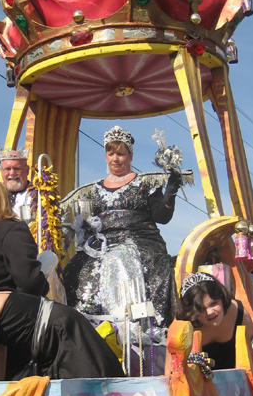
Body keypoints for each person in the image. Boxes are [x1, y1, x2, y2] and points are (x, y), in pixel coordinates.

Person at [0, 179, 123, 381]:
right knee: (74, 328)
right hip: (14, 312)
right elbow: (29, 282)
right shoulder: (11, 228)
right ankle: (111, 394)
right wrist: (42, 273)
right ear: (1, 200)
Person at [63, 126, 182, 326]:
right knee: (76, 266)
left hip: (138, 243)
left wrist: (171, 189)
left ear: (131, 156)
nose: (115, 159)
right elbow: (83, 220)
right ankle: (83, 324)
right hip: (101, 245)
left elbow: (162, 216)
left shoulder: (146, 183)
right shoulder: (93, 190)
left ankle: (131, 325)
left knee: (118, 259)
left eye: (121, 153)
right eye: (111, 153)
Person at [175, 272, 253, 370]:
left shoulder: (240, 314)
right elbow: (172, 367)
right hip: (196, 383)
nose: (209, 312)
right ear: (191, 311)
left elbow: (252, 359)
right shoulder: (182, 323)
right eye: (201, 309)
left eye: (213, 303)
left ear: (222, 298)